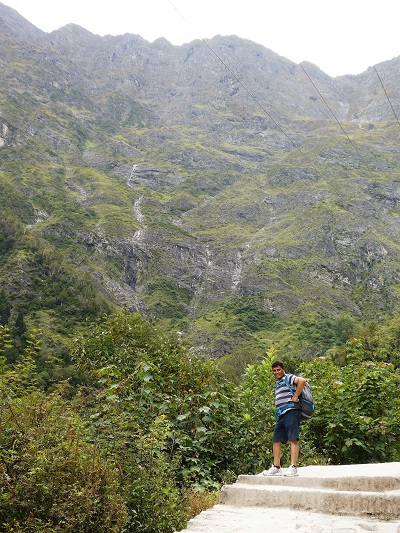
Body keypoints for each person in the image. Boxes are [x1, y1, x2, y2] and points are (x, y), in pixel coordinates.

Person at [263, 360, 306, 477]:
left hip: (292, 411)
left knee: (293, 438)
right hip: (282, 414)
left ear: (283, 369)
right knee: (276, 440)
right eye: (274, 371)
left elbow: (302, 381)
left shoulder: (289, 377)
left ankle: (293, 467)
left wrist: (296, 396)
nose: (276, 372)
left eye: (278, 370)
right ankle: (276, 467)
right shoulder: (278, 383)